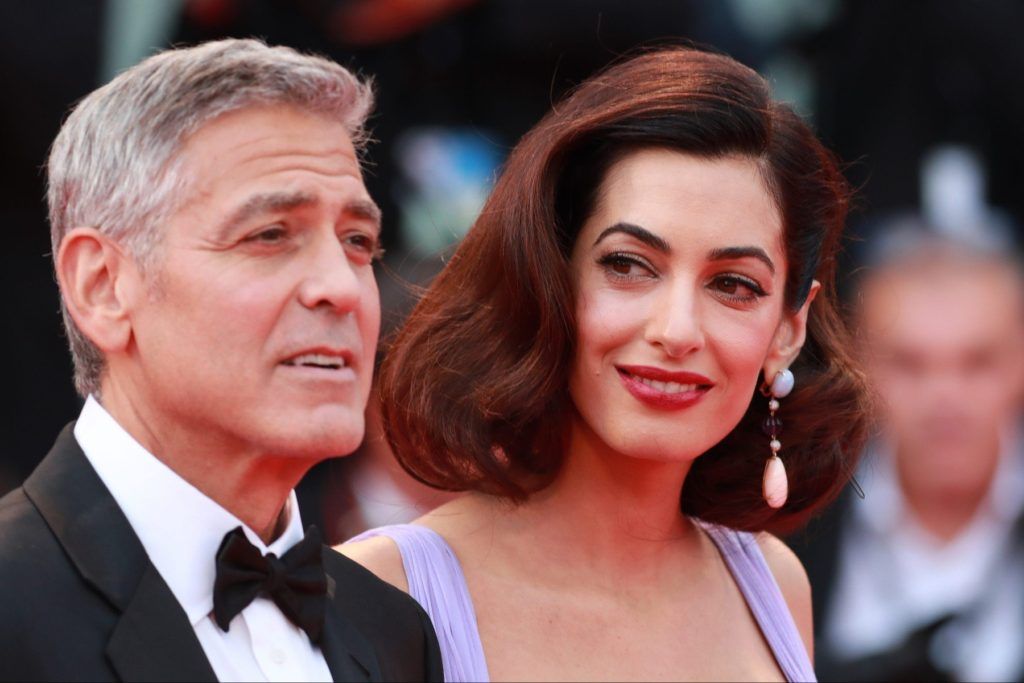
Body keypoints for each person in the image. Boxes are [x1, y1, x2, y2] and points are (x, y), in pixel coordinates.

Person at [341, 46, 870, 682]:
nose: (676, 331)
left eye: (734, 284)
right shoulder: (382, 591)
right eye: (628, 265)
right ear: (549, 281)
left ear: (788, 331)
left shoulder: (776, 586)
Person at [0, 39, 442, 682]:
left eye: (358, 241)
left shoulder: (395, 627)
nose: (342, 287)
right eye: (269, 235)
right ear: (103, 286)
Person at [791, 226, 1024, 682]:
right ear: (857, 365)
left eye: (977, 361)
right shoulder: (792, 510)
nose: (945, 398)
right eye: (908, 363)